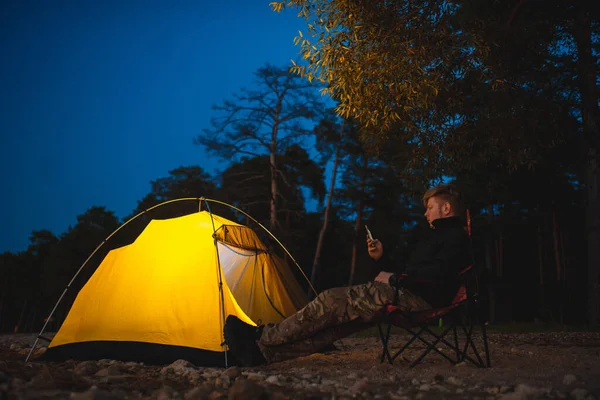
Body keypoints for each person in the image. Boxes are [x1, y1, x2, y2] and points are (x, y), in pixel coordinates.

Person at [224, 183, 471, 366]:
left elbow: (437, 275)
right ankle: (262, 355)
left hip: (421, 299)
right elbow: (416, 271)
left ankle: (263, 335)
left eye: (429, 208)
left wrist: (395, 280)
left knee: (331, 300)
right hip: (410, 293)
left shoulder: (454, 237)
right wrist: (382, 260)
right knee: (337, 325)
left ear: (446, 208)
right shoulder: (439, 237)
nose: (426, 213)